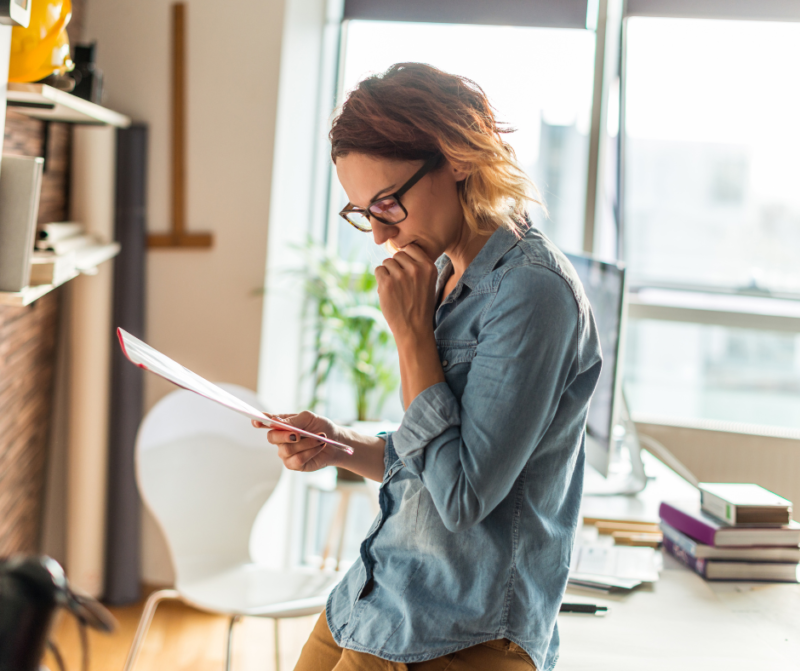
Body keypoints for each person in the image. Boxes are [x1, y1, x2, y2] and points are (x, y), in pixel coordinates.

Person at [253, 63, 602, 671]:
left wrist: (412, 333)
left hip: (456, 630)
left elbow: (462, 497)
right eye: (364, 212)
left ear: (457, 156)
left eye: (388, 203)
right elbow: (431, 463)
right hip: (376, 597)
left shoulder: (531, 293)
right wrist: (338, 444)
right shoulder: (446, 273)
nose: (380, 235)